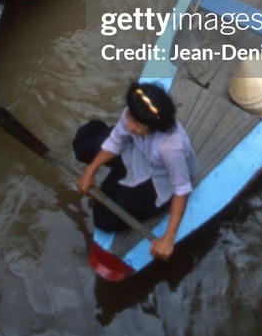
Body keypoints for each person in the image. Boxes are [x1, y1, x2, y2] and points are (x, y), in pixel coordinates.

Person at [74, 81, 198, 260]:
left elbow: (182, 189)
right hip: (135, 152)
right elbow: (116, 141)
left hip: (158, 178)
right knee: (84, 141)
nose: (129, 125)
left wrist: (168, 238)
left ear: (154, 126)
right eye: (130, 118)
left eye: (137, 125)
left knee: (104, 219)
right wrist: (90, 171)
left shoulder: (170, 147)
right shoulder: (131, 116)